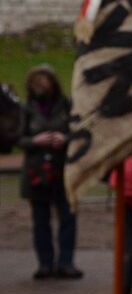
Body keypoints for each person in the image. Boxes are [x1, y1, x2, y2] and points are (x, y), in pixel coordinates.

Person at [17, 65, 82, 279]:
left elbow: (81, 132)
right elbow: (16, 138)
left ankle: (66, 262)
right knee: (41, 221)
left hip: (63, 169)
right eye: (36, 81)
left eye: (44, 80)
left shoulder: (67, 105)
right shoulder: (26, 109)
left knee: (68, 218)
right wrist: (35, 141)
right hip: (37, 172)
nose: (40, 85)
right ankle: (45, 263)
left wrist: (65, 139)